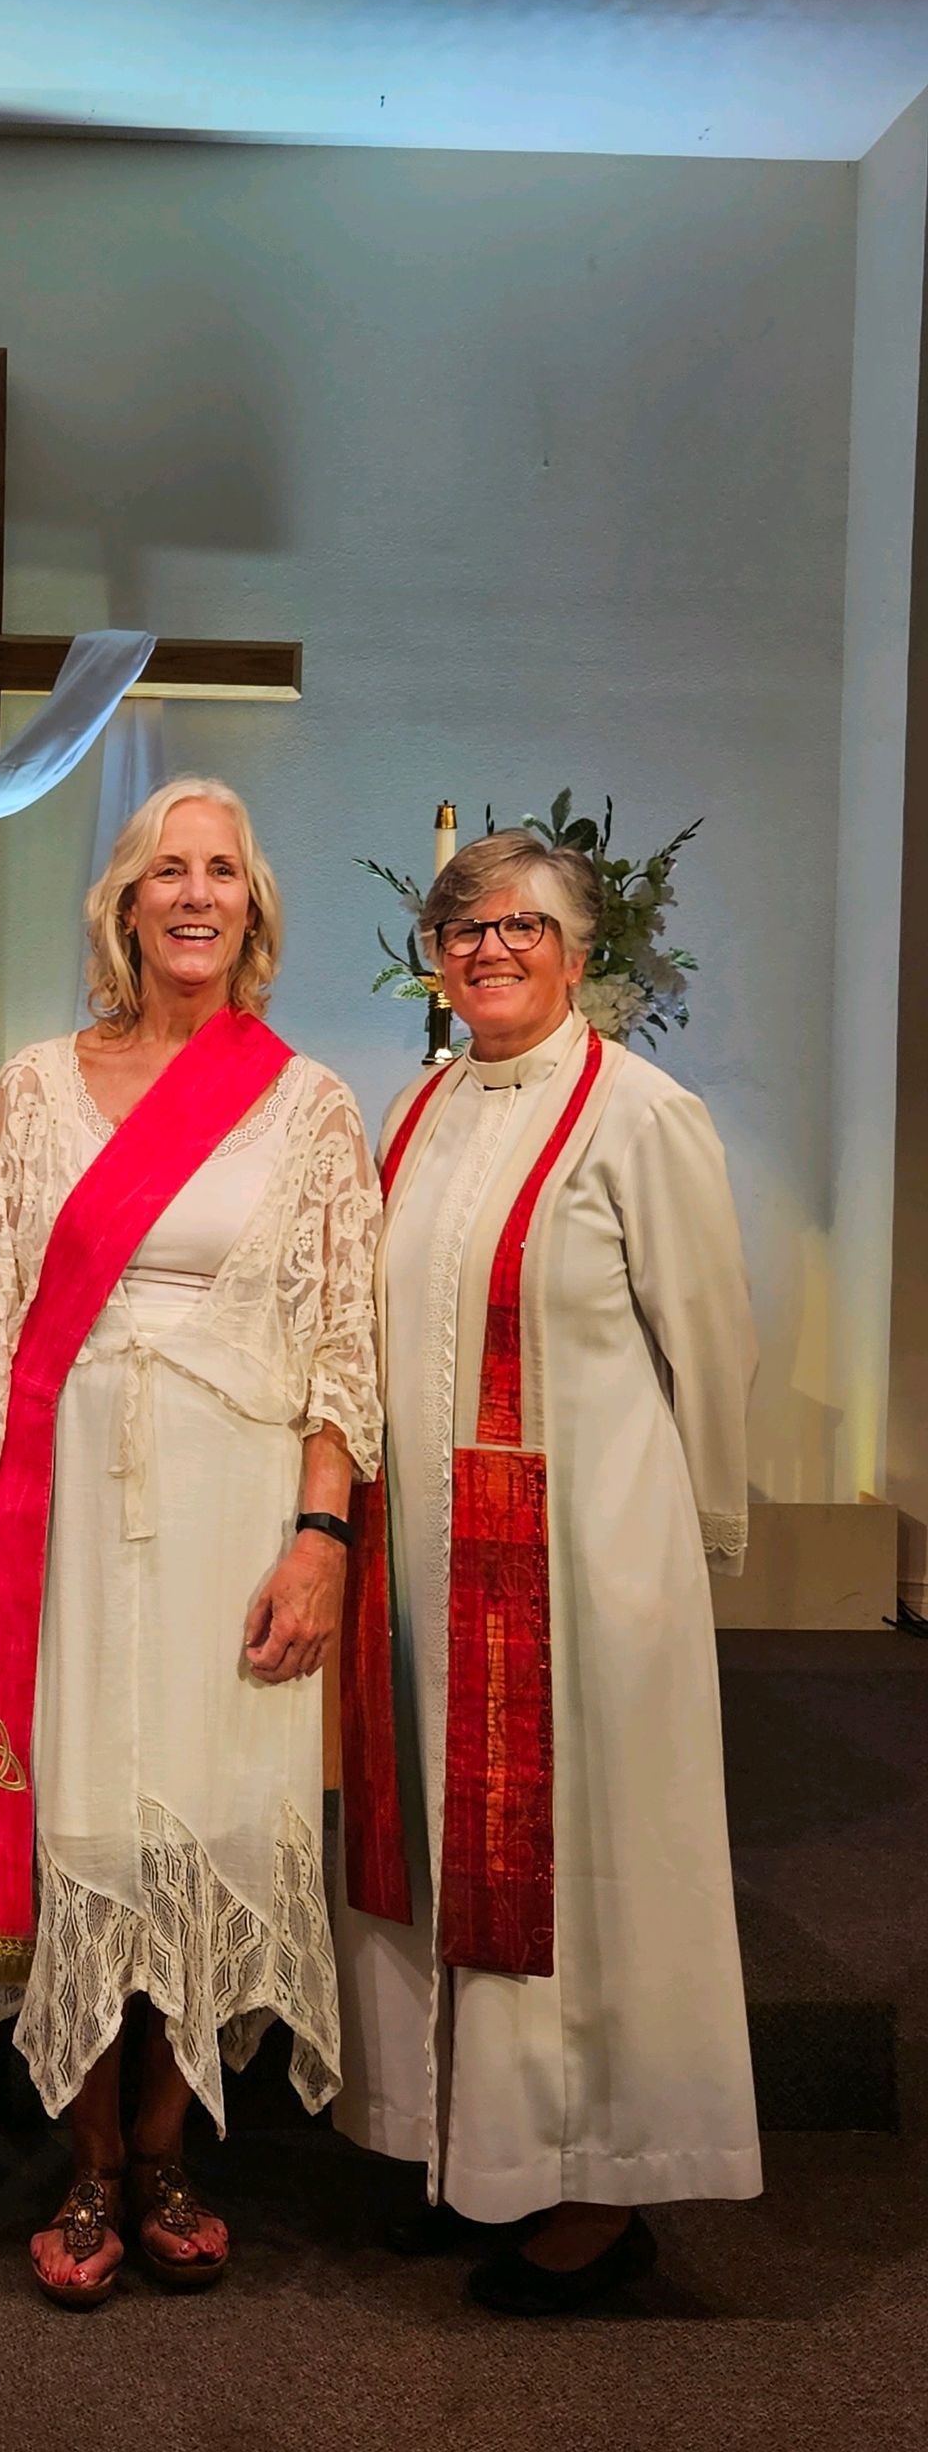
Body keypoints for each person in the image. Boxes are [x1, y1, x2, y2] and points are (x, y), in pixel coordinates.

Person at [0, 777, 383, 2306]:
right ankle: (87, 2161)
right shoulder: (44, 1087)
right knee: (92, 1821)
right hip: (70, 1511)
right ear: (124, 904)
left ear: (253, 905)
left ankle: (174, 2145)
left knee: (211, 1819)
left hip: (236, 1500)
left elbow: (342, 1345)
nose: (196, 895)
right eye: (167, 870)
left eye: (224, 872)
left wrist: (320, 1537)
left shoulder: (309, 1100)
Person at [332, 828, 760, 2313]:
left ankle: (594, 2189)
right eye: (465, 933)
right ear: (436, 967)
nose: (491, 951)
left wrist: (695, 1548)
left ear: (577, 957)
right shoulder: (422, 1108)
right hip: (431, 1572)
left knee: (580, 1882)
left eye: (522, 929)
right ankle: (480, 2162)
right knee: (455, 1871)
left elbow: (708, 1338)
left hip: (582, 1572)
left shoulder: (640, 1114)